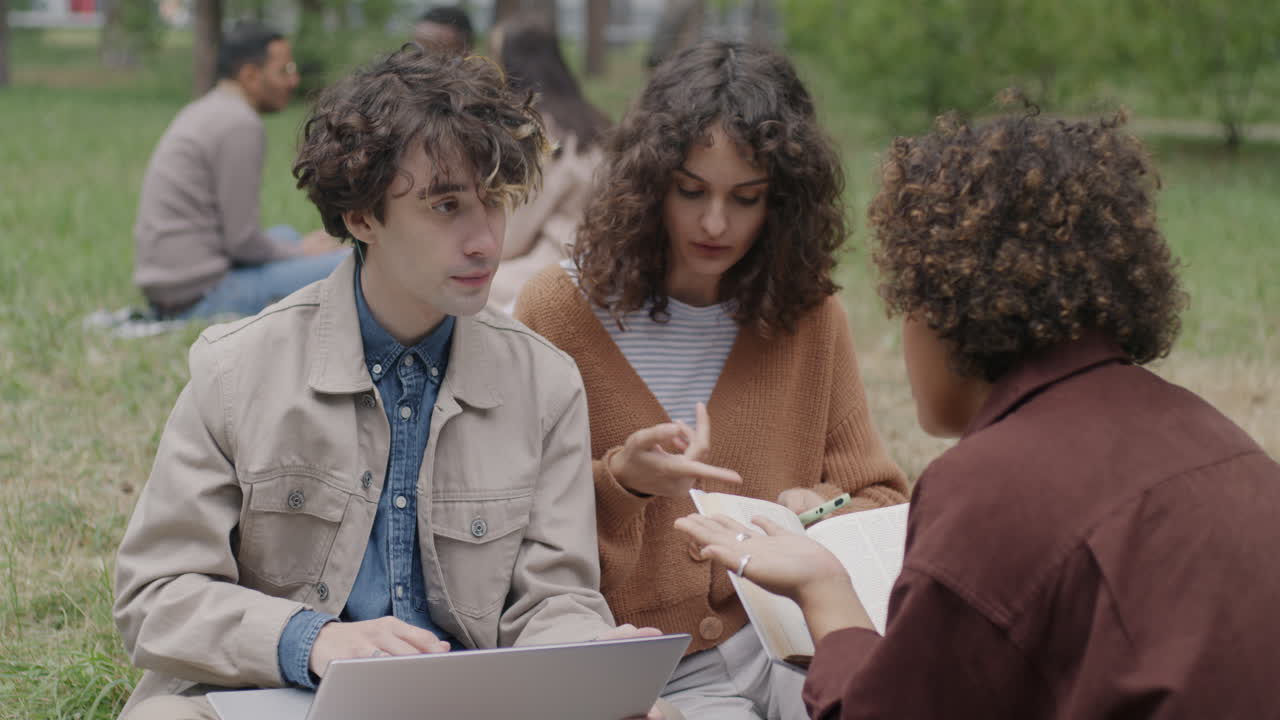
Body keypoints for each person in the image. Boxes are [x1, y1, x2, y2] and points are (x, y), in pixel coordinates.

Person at [114, 45, 664, 720]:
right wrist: (314, 641)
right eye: (446, 206)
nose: (486, 240)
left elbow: (554, 599)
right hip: (277, 696)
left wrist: (590, 657)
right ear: (361, 216)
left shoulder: (545, 382)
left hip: (469, 702)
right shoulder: (236, 368)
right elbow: (155, 595)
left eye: (495, 202)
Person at [677, 107, 1280, 718]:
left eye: (905, 305)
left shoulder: (995, 486)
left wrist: (822, 588)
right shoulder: (1217, 436)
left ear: (947, 309)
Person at [515, 41, 908, 720]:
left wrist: (800, 511)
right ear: (649, 183)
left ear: (783, 202)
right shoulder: (557, 313)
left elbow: (878, 498)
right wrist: (624, 481)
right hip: (649, 665)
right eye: (691, 191)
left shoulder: (810, 316)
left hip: (790, 640)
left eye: (746, 198)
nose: (716, 223)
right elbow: (516, 535)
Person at [132, 22, 347, 320]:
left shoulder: (209, 108)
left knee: (287, 235)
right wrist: (303, 252)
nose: (294, 80)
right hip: (200, 296)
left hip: (173, 285)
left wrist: (298, 248)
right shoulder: (239, 124)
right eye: (284, 70)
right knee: (348, 261)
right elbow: (242, 243)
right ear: (249, 75)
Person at [486, 14, 611, 311]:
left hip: (554, 266)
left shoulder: (535, 128)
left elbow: (511, 238)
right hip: (601, 264)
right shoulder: (594, 122)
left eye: (493, 56)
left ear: (511, 64)